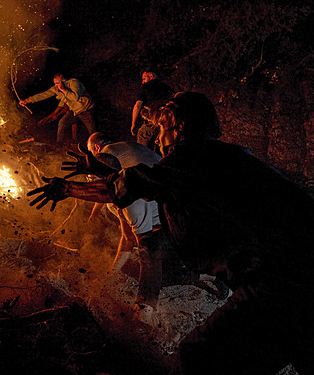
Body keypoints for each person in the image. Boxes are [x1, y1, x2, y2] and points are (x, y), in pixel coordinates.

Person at [28, 92, 314, 375]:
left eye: (161, 129)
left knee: (197, 361)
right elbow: (156, 180)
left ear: (179, 128)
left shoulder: (191, 156)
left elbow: (128, 186)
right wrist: (97, 167)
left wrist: (66, 188)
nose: (159, 139)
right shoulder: (227, 159)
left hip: (285, 285)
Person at [65, 132, 227, 315]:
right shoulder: (121, 156)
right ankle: (208, 275)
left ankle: (147, 310)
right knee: (152, 265)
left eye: (96, 188)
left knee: (151, 257)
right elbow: (126, 232)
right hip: (177, 211)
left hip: (182, 219)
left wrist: (144, 306)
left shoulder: (131, 200)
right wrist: (111, 273)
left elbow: (144, 246)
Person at [19, 73, 96, 143]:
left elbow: (75, 97)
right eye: (54, 83)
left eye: (57, 83)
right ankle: (59, 145)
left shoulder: (74, 83)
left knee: (93, 133)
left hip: (86, 110)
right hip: (74, 111)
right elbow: (43, 95)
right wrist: (26, 101)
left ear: (63, 81)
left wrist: (63, 89)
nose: (56, 85)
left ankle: (96, 150)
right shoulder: (56, 89)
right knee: (62, 123)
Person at [130, 69, 174, 151]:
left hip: (152, 122)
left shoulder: (146, 87)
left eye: (144, 79)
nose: (143, 82)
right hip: (166, 126)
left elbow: (137, 105)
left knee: (143, 149)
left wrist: (133, 124)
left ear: (150, 76)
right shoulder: (168, 89)